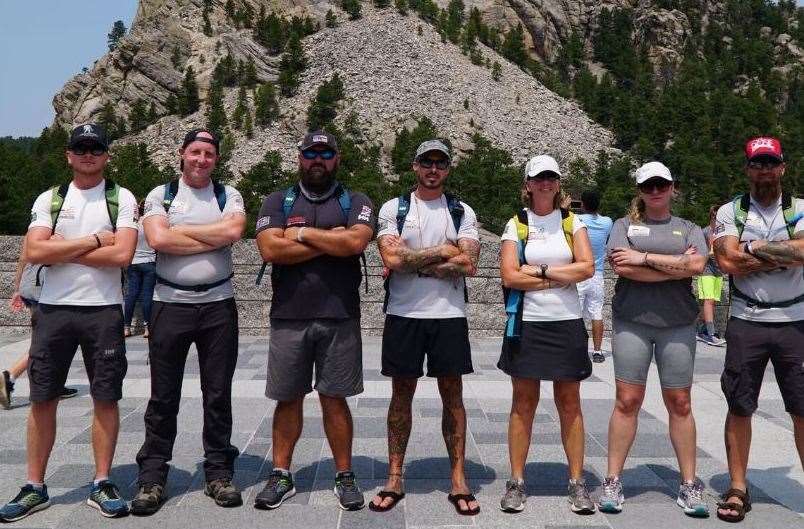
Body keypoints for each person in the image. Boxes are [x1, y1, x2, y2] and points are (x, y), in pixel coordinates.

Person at [0, 124, 138, 522]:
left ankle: (102, 481)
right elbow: (34, 249)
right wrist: (96, 241)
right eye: (81, 147)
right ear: (69, 154)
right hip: (54, 309)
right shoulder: (52, 197)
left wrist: (60, 250)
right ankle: (35, 486)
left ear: (107, 154)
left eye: (96, 147)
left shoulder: (120, 197)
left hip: (104, 310)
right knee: (42, 398)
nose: (88, 153)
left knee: (105, 397)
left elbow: (124, 256)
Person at [253, 130, 374, 511]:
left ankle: (344, 474)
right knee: (287, 399)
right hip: (289, 316)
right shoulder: (278, 200)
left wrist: (301, 234)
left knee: (334, 399)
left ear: (336, 159)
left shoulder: (355, 199)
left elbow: (355, 244)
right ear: (300, 158)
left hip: (339, 315)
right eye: (310, 154)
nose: (317, 160)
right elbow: (270, 249)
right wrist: (330, 239)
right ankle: (281, 473)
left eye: (325, 154)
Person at [131, 129, 246, 515]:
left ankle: (218, 472)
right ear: (181, 154)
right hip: (169, 305)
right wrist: (209, 238)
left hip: (218, 305)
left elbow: (234, 231)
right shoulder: (160, 194)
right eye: (195, 152)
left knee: (218, 394)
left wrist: (179, 231)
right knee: (163, 396)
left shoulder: (227, 194)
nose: (201, 159)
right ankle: (152, 477)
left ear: (216, 158)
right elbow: (158, 241)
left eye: (209, 153)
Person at [371, 140, 481, 515]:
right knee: (401, 394)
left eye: (440, 163)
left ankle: (458, 478)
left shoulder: (461, 210)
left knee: (454, 395)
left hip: (449, 315)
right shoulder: (394, 208)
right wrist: (444, 251)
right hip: (404, 314)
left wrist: (413, 260)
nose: (433, 169)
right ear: (414, 166)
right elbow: (390, 257)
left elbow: (470, 265)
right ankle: (395, 476)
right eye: (426, 162)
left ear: (448, 169)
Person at [599, 161, 709, 517]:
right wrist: (674, 265)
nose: (656, 191)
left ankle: (689, 484)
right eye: (649, 186)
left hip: (677, 323)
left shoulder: (689, 228)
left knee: (680, 402)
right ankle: (613, 480)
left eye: (662, 185)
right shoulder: (622, 225)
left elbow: (696, 267)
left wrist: (644, 257)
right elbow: (622, 267)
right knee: (627, 400)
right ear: (640, 191)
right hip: (633, 320)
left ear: (673, 187)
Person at [712, 137, 804, 523]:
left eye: (771, 163)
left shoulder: (799, 208)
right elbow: (726, 260)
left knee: (802, 409)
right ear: (747, 169)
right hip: (747, 320)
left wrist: (752, 250)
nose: (764, 171)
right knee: (739, 405)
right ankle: (738, 488)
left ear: (783, 167)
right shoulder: (730, 211)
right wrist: (782, 253)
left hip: (794, 321)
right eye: (757, 164)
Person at [498, 155, 596, 514]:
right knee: (523, 403)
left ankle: (576, 481)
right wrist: (560, 274)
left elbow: (587, 268)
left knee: (570, 402)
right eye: (539, 178)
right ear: (527, 184)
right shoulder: (517, 223)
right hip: (528, 323)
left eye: (551, 178)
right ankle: (517, 481)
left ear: (558, 183)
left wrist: (536, 271)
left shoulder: (573, 222)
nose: (545, 184)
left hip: (566, 321)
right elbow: (509, 276)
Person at [2, 239, 78, 410]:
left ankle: (54, 383)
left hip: (29, 285)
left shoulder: (34, 228)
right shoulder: (53, 224)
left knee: (44, 339)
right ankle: (9, 377)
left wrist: (17, 288)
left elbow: (23, 258)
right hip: (43, 287)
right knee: (44, 342)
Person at [576, 189, 613, 363]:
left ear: (582, 204)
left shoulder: (577, 220)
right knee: (596, 313)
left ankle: (579, 350)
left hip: (579, 272)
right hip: (597, 273)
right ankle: (597, 352)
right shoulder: (607, 222)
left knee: (577, 314)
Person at [123, 200, 156, 338]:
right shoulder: (151, 224)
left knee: (131, 295)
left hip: (133, 262)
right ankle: (148, 328)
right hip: (149, 261)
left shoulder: (133, 224)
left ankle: (126, 327)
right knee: (147, 295)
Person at [695, 205, 726, 346]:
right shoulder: (705, 232)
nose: (717, 219)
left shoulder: (724, 233)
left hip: (718, 271)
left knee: (711, 302)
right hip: (706, 269)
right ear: (711, 216)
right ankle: (710, 333)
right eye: (715, 216)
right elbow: (699, 254)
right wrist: (710, 251)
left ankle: (701, 330)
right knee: (708, 300)